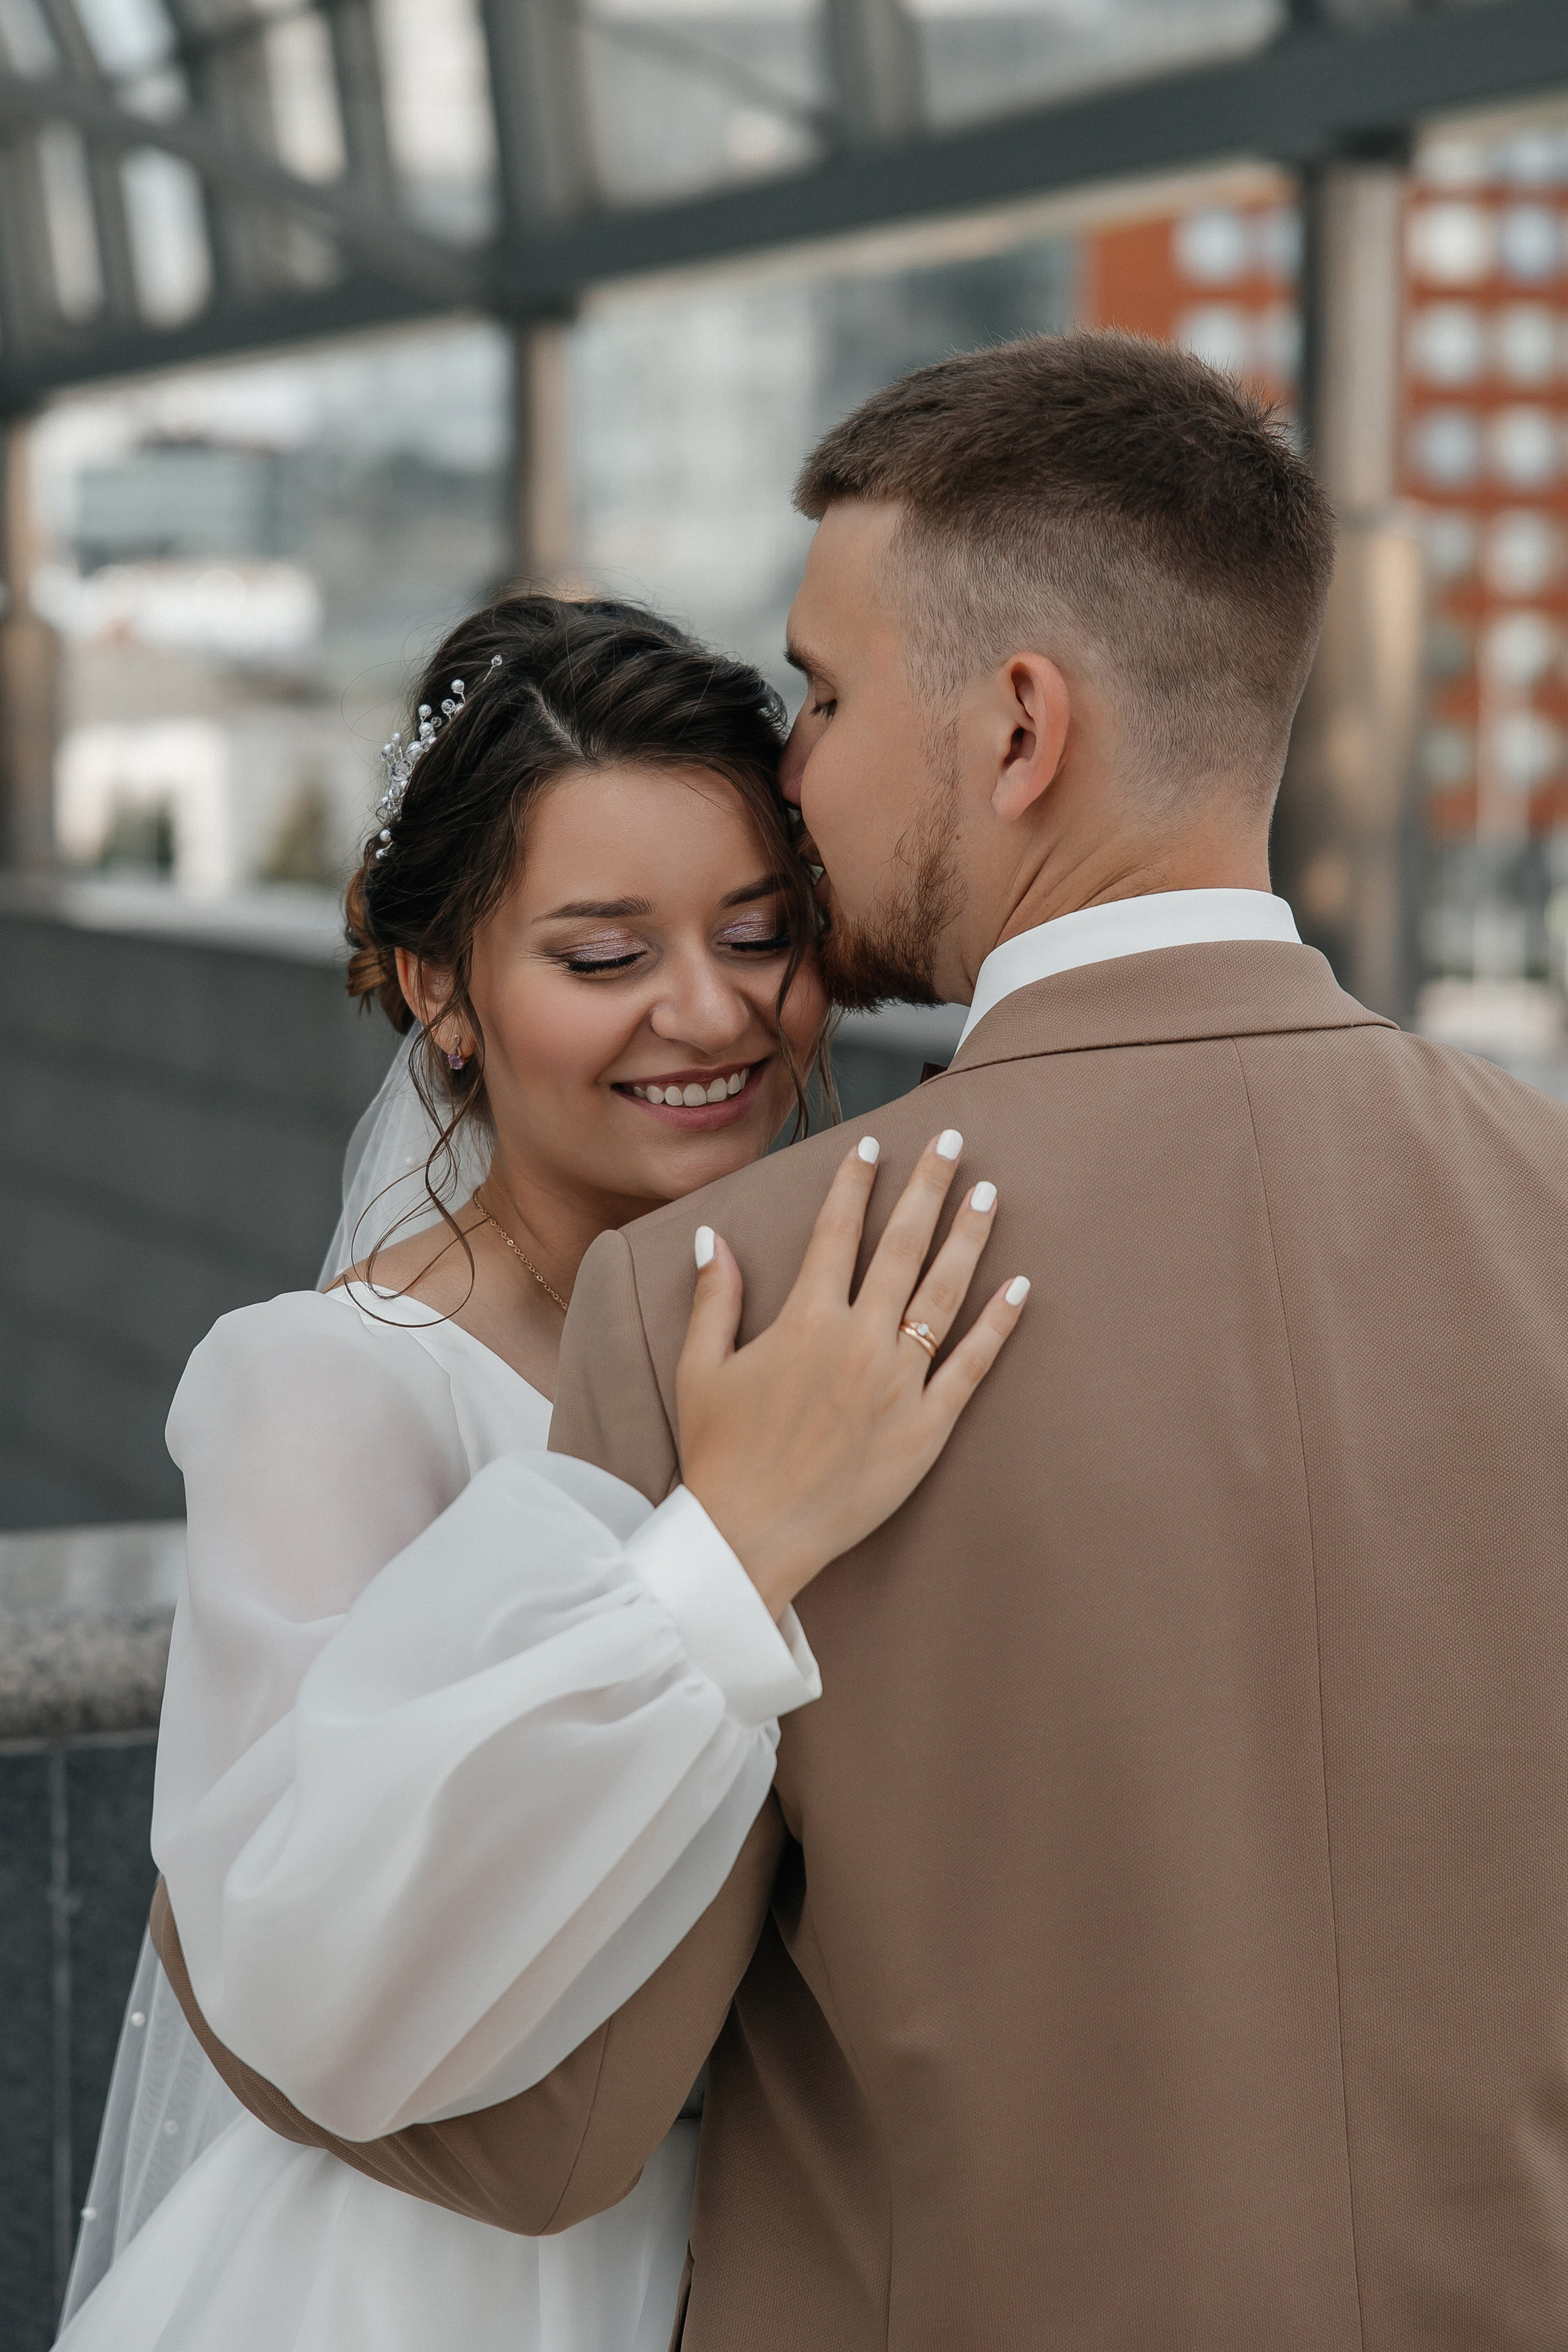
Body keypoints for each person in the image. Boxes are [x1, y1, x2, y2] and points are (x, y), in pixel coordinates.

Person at [195, 328, 1568, 2349]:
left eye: (826, 697)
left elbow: (541, 2136)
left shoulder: (742, 1295)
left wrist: (243, 1908)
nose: (796, 775)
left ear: (1020, 729)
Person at [55, 595, 1024, 2351]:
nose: (710, 1013)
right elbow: (305, 1969)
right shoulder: (331, 1384)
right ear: (441, 987)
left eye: (760, 932)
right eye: (602, 958)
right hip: (459, 2288)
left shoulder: (843, 1319)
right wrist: (731, 1549)